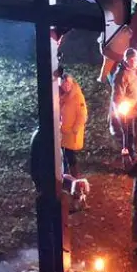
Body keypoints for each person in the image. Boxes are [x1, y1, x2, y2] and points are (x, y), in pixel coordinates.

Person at [108, 48, 137, 155]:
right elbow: (117, 95)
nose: (133, 62)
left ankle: (131, 148)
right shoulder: (121, 75)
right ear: (125, 60)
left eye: (135, 59)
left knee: (133, 129)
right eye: (130, 60)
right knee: (129, 131)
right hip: (128, 108)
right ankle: (130, 153)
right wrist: (122, 108)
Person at [58, 66, 88, 201]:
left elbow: (82, 115)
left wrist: (75, 128)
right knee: (63, 155)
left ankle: (76, 181)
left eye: (68, 84)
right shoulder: (61, 95)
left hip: (71, 133)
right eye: (64, 84)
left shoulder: (77, 96)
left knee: (70, 156)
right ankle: (66, 179)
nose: (66, 87)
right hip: (63, 132)